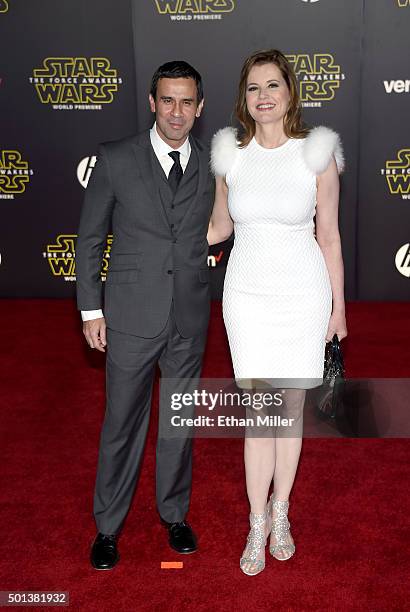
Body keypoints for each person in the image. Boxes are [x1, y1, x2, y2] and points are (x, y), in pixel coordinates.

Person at [207, 49, 347, 576]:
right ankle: (256, 521)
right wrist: (159, 240)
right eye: (252, 88)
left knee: (287, 413)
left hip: (302, 294)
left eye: (272, 85)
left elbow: (329, 236)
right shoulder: (230, 155)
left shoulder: (317, 154)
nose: (263, 96)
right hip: (247, 297)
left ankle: (281, 510)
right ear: (243, 98)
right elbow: (219, 228)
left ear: (289, 91)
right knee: (258, 418)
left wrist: (337, 309)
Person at [76, 60, 214, 569]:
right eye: (167, 100)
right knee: (121, 424)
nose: (176, 112)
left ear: (199, 108)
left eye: (186, 102)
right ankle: (108, 527)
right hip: (130, 315)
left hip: (188, 316)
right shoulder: (115, 158)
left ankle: (174, 514)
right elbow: (90, 240)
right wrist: (92, 309)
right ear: (152, 102)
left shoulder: (212, 162)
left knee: (179, 420)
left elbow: (218, 227)